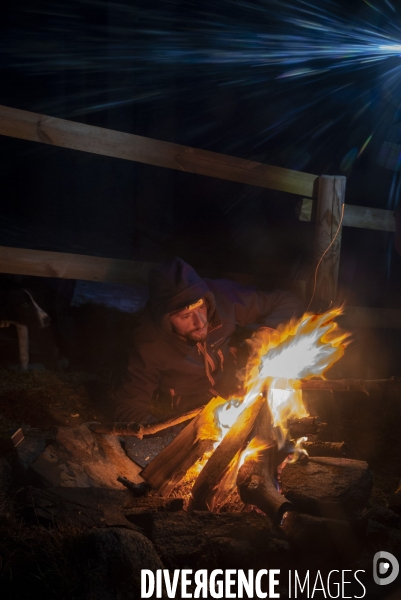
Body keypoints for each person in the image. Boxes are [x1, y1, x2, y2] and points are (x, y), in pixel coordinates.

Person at [114, 257, 304, 423]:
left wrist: (267, 333)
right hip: (191, 407)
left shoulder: (223, 298)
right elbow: (128, 409)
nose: (200, 322)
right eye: (186, 316)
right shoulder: (150, 343)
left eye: (200, 308)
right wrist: (167, 434)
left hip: (235, 384)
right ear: (166, 320)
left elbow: (287, 301)